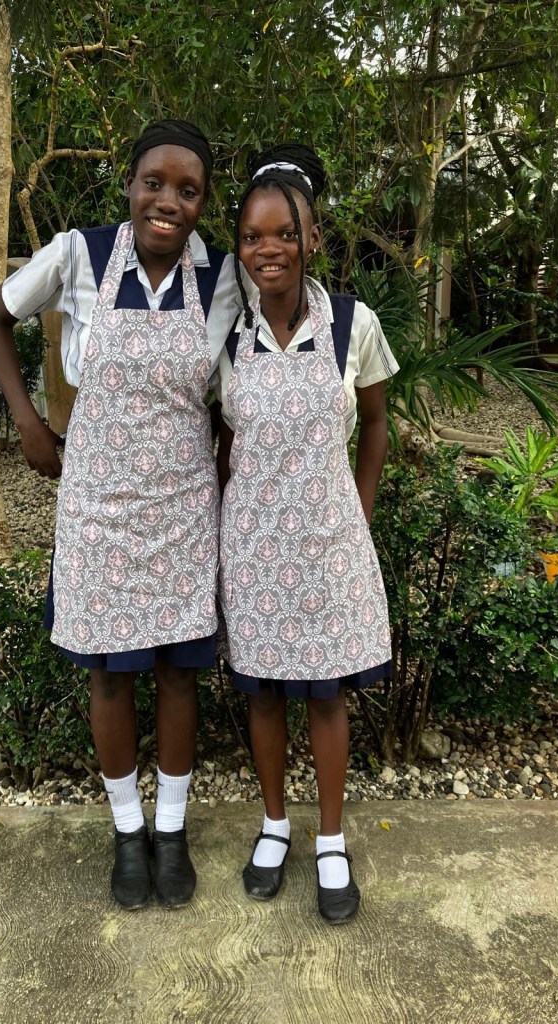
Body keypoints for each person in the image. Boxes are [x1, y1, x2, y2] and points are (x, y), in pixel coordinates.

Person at [0, 120, 242, 911]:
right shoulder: (78, 255)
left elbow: (235, 389)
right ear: (129, 185)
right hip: (97, 505)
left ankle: (172, 829)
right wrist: (26, 421)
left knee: (179, 676)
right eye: (154, 183)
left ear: (202, 204)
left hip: (183, 507)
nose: (168, 201)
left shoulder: (221, 278)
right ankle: (127, 833)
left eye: (188, 190)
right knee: (109, 676)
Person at [214, 144, 398, 924]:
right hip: (253, 548)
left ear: (313, 238)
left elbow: (377, 423)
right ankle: (273, 825)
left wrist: (359, 513)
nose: (269, 250)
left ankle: (329, 839)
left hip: (328, 546)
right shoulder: (228, 334)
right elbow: (222, 444)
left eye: (285, 234)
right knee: (262, 695)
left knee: (325, 696)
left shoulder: (353, 323)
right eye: (253, 237)